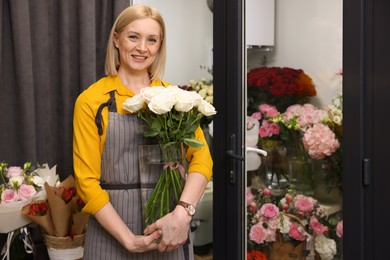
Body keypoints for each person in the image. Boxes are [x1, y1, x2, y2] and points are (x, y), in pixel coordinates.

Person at [72, 4, 213, 260]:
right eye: (133, 37)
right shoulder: (92, 101)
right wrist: (128, 239)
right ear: (116, 39)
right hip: (110, 236)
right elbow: (86, 182)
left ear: (160, 45)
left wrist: (182, 214)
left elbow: (202, 160)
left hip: (169, 232)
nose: (142, 48)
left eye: (152, 40)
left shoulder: (176, 99)